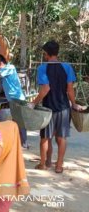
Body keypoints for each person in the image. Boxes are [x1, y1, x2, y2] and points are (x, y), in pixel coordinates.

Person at [31, 40, 83, 173]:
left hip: (48, 108)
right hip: (64, 108)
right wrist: (74, 104)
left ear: (46, 54)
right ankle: (58, 166)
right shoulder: (67, 67)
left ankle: (44, 164)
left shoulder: (42, 68)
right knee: (61, 137)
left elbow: (45, 89)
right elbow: (70, 89)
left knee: (45, 138)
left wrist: (34, 103)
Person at [0, 54, 28, 149]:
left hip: (17, 99)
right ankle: (17, 141)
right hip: (12, 99)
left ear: (0, 63)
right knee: (15, 121)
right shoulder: (4, 71)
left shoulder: (10, 68)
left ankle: (24, 143)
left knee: (20, 121)